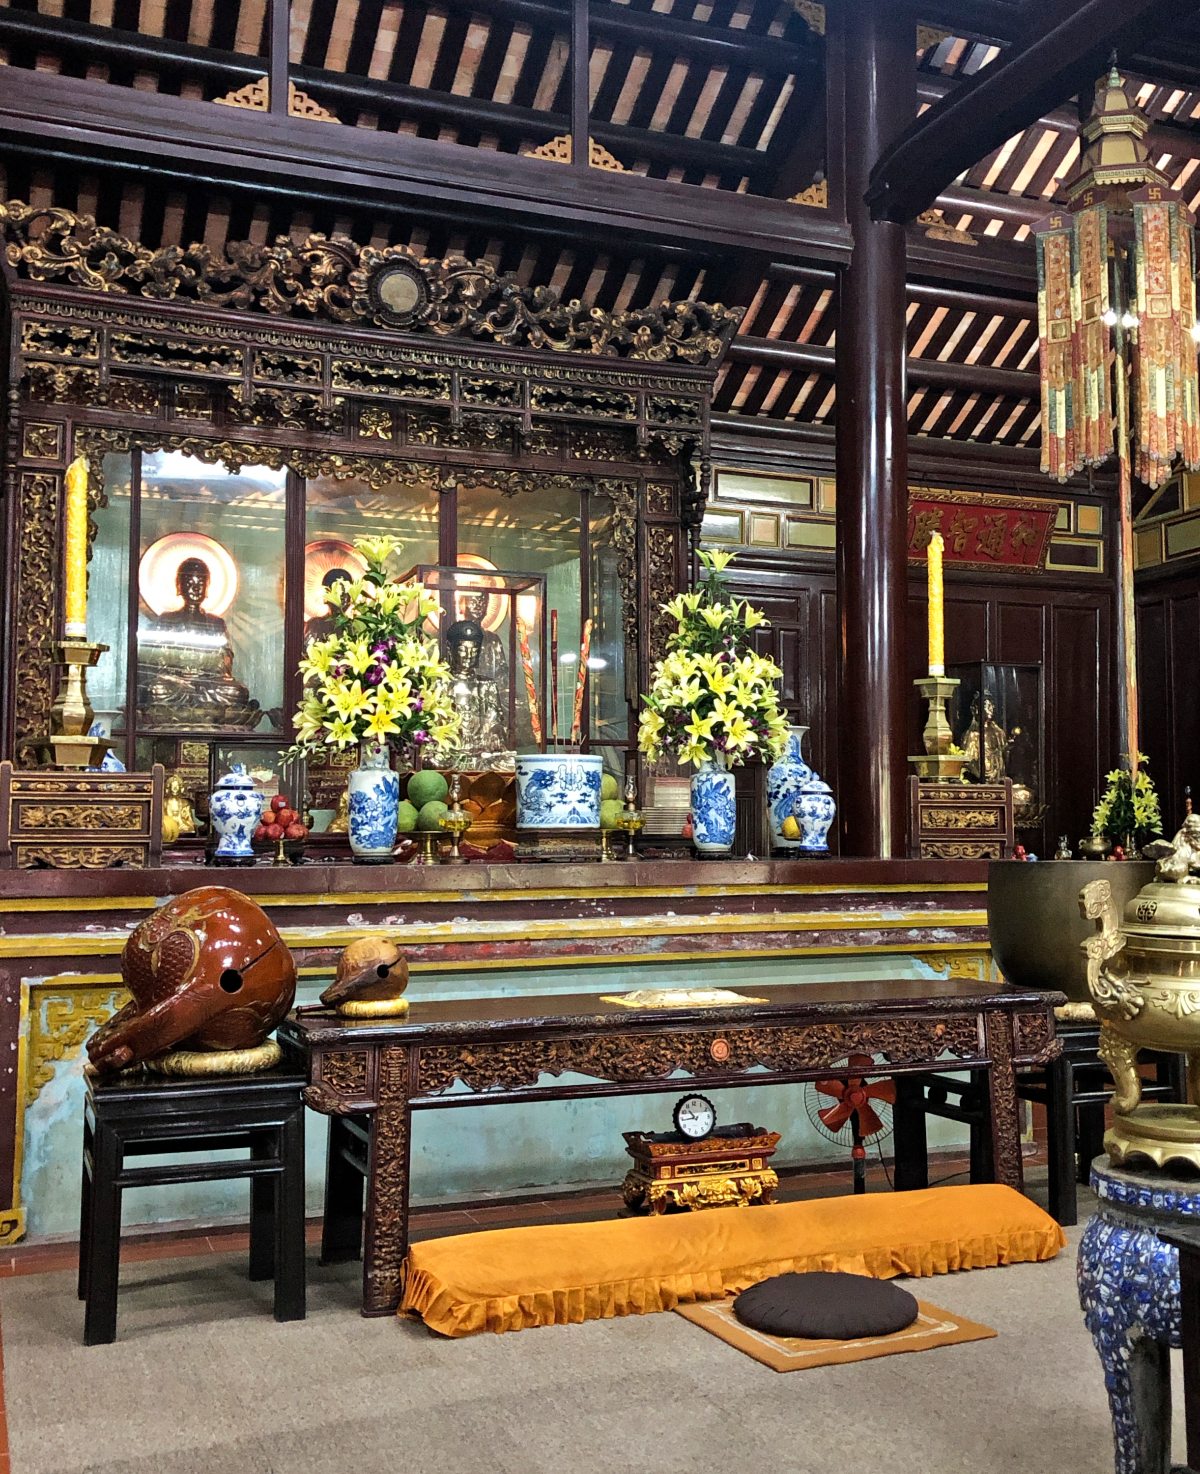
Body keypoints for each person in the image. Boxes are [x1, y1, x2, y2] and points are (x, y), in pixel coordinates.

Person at [137, 556, 260, 731]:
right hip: (175, 684)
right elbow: (155, 661)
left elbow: (224, 663)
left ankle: (199, 700)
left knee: (237, 692)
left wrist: (204, 678)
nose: (195, 587)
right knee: (157, 689)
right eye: (189, 581)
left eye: (201, 582)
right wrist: (179, 678)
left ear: (207, 587)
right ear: (179, 586)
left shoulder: (216, 623)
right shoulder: (167, 619)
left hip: (208, 684)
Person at [438, 617, 515, 770]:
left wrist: (494, 732)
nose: (469, 655)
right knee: (433, 760)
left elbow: (495, 720)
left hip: (481, 753)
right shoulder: (440, 683)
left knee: (510, 762)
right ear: (449, 648)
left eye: (474, 650)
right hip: (450, 753)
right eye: (462, 649)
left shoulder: (487, 685)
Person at [959, 691, 1016, 784]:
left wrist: (1007, 748)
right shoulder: (973, 734)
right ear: (977, 709)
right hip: (980, 774)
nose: (991, 709)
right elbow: (968, 761)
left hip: (997, 771)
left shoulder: (998, 732)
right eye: (987, 706)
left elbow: (1003, 754)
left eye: (992, 706)